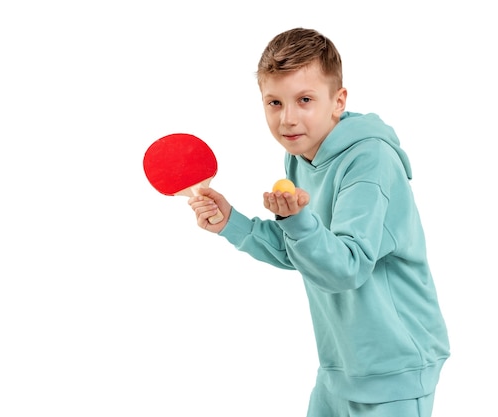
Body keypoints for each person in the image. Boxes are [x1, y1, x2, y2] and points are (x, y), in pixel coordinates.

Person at [188, 27, 450, 417]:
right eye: (274, 102)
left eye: (304, 100)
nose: (287, 119)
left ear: (337, 101)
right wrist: (232, 223)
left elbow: (346, 267)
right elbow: (301, 252)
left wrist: (297, 223)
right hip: (341, 365)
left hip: (393, 368)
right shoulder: (301, 158)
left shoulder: (370, 161)